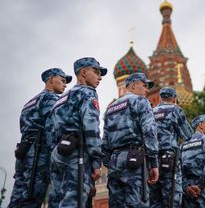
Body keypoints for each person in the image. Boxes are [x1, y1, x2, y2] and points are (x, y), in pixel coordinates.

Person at [47, 57, 107, 208]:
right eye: (96, 72)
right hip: (77, 155)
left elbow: (51, 132)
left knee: (57, 200)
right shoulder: (87, 93)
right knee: (75, 201)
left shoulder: (60, 100)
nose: (100, 77)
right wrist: (96, 162)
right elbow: (91, 128)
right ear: (84, 72)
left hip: (58, 154)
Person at [8, 68, 72, 208]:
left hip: (24, 152)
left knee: (18, 196)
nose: (65, 84)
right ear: (50, 79)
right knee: (33, 197)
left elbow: (23, 128)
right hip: (39, 154)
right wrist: (57, 155)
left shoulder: (29, 102)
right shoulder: (51, 98)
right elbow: (52, 128)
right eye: (62, 80)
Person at [102, 72, 159, 208]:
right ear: (133, 86)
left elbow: (104, 142)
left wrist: (109, 163)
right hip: (134, 159)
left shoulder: (110, 108)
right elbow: (149, 132)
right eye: (144, 86)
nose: (147, 90)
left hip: (115, 162)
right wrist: (154, 163)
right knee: (137, 203)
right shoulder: (140, 101)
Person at [149, 87, 193, 208]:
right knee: (173, 198)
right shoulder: (175, 109)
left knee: (154, 199)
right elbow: (188, 135)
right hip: (169, 160)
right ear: (174, 98)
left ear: (160, 98)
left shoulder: (151, 111)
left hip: (152, 161)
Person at [181, 114, 205, 208]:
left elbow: (179, 170)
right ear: (201, 125)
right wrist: (200, 186)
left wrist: (187, 188)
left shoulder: (183, 145)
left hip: (188, 193)